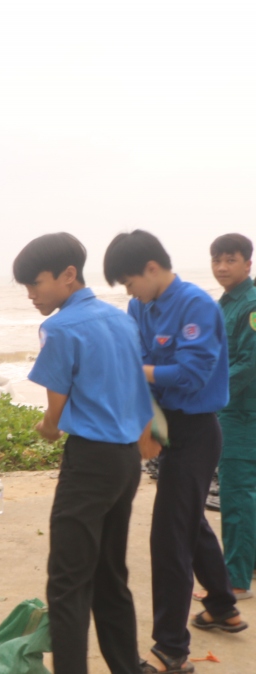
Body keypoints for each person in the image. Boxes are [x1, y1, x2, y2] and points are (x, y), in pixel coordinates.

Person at [103, 230, 247, 674]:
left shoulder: (196, 305)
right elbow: (143, 361)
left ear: (151, 268)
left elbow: (190, 374)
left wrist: (132, 370)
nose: (129, 293)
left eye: (129, 282)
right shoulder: (140, 306)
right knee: (187, 520)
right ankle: (223, 606)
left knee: (169, 538)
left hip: (198, 432)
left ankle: (171, 650)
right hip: (164, 425)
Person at [15, 233, 154, 674]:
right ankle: (125, 667)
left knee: (68, 583)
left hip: (90, 463)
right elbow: (136, 387)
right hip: (125, 462)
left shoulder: (59, 327)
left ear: (68, 275)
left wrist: (47, 428)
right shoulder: (122, 321)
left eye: (36, 284)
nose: (32, 295)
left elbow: (54, 411)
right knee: (111, 576)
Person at [208, 233, 256, 602]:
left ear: (248, 264)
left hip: (242, 415)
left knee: (237, 495)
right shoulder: (224, 304)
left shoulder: (252, 305)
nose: (222, 267)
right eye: (216, 260)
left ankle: (236, 583)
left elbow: (249, 364)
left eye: (230, 260)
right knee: (243, 494)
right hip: (231, 409)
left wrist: (211, 396)